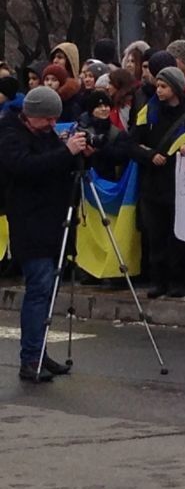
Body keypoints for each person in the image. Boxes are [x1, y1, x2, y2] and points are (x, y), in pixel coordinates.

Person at [0, 87, 89, 381]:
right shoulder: (10, 135)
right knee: (38, 289)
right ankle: (30, 359)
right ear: (30, 116)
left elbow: (57, 164)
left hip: (52, 222)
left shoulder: (44, 134)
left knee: (47, 291)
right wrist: (65, 151)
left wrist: (76, 153)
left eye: (55, 120)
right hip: (29, 223)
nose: (53, 125)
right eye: (48, 120)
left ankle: (39, 352)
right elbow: (26, 168)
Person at [128, 66, 185, 299]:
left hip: (179, 186)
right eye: (158, 86)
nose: (158, 91)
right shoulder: (147, 113)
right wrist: (149, 156)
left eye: (164, 86)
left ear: (176, 89)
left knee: (178, 237)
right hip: (152, 184)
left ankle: (179, 280)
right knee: (156, 235)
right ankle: (160, 281)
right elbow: (132, 144)